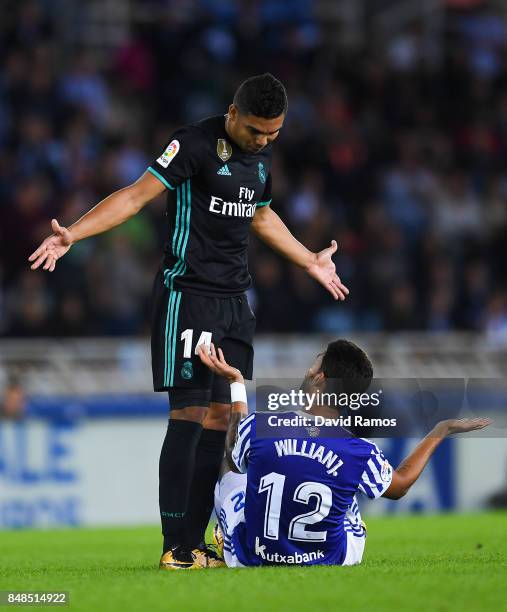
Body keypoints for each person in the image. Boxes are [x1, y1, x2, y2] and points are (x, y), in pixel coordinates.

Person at [28, 73, 349, 569]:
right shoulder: (194, 143)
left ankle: (197, 543)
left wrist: (308, 259)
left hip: (235, 303)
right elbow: (136, 195)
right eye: (256, 131)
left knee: (222, 421)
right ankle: (173, 545)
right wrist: (72, 233)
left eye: (274, 133)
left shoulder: (260, 159)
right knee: (190, 415)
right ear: (233, 113)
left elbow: (260, 215)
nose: (263, 141)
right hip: (188, 296)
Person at [198, 341, 492, 567]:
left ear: (320, 379)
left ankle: (227, 536)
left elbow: (231, 449)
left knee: (233, 471)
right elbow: (400, 485)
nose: (308, 371)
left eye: (313, 367)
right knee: (348, 493)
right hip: (329, 557)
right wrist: (441, 429)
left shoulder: (262, 425)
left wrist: (236, 384)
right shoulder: (360, 451)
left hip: (250, 557)